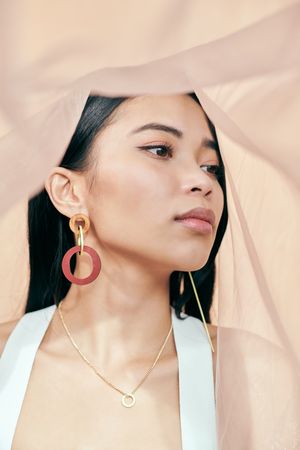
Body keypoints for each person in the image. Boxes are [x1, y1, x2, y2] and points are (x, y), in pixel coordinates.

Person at [0, 92, 228, 449]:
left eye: (210, 166)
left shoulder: (248, 374)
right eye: (160, 150)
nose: (204, 183)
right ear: (69, 191)